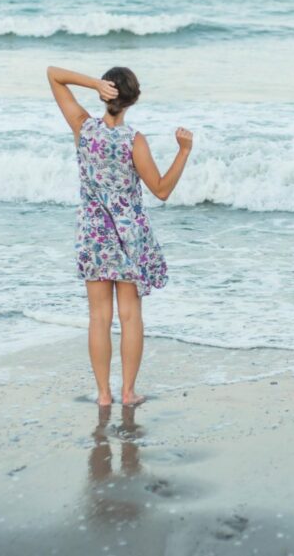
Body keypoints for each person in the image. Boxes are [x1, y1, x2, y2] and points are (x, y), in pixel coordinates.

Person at [47, 65, 193, 407]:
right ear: (134, 99)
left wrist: (93, 82)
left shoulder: (83, 128)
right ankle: (128, 393)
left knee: (98, 317)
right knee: (130, 317)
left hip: (93, 235)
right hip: (129, 236)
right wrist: (184, 151)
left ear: (103, 94)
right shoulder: (133, 141)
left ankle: (103, 395)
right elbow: (161, 190)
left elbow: (53, 74)